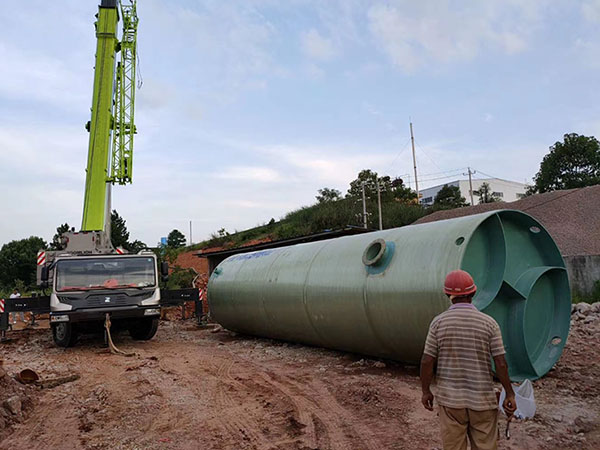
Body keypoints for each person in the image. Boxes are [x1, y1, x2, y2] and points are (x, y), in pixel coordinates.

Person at [420, 269, 516, 450]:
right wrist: (509, 393)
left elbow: (427, 361)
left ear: (448, 295)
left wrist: (426, 391)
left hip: (451, 402)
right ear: (473, 293)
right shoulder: (489, 323)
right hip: (482, 401)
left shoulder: (438, 323)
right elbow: (501, 363)